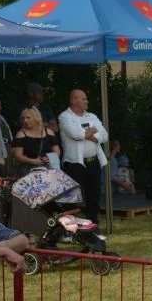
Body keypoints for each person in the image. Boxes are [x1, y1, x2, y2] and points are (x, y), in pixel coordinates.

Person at [58, 89, 107, 224]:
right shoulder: (64, 117)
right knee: (72, 197)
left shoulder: (92, 116)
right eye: (83, 99)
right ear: (74, 100)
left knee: (94, 195)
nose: (87, 101)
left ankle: (93, 225)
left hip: (93, 161)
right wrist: (89, 132)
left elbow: (104, 136)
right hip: (74, 164)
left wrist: (87, 134)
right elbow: (76, 134)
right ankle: (69, 229)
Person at [11, 107, 60, 173]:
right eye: (23, 118)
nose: (25, 120)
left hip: (48, 170)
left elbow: (57, 151)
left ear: (36, 118)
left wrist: (50, 158)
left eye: (28, 118)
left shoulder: (49, 132)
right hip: (29, 171)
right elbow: (18, 156)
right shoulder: (21, 134)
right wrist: (32, 161)